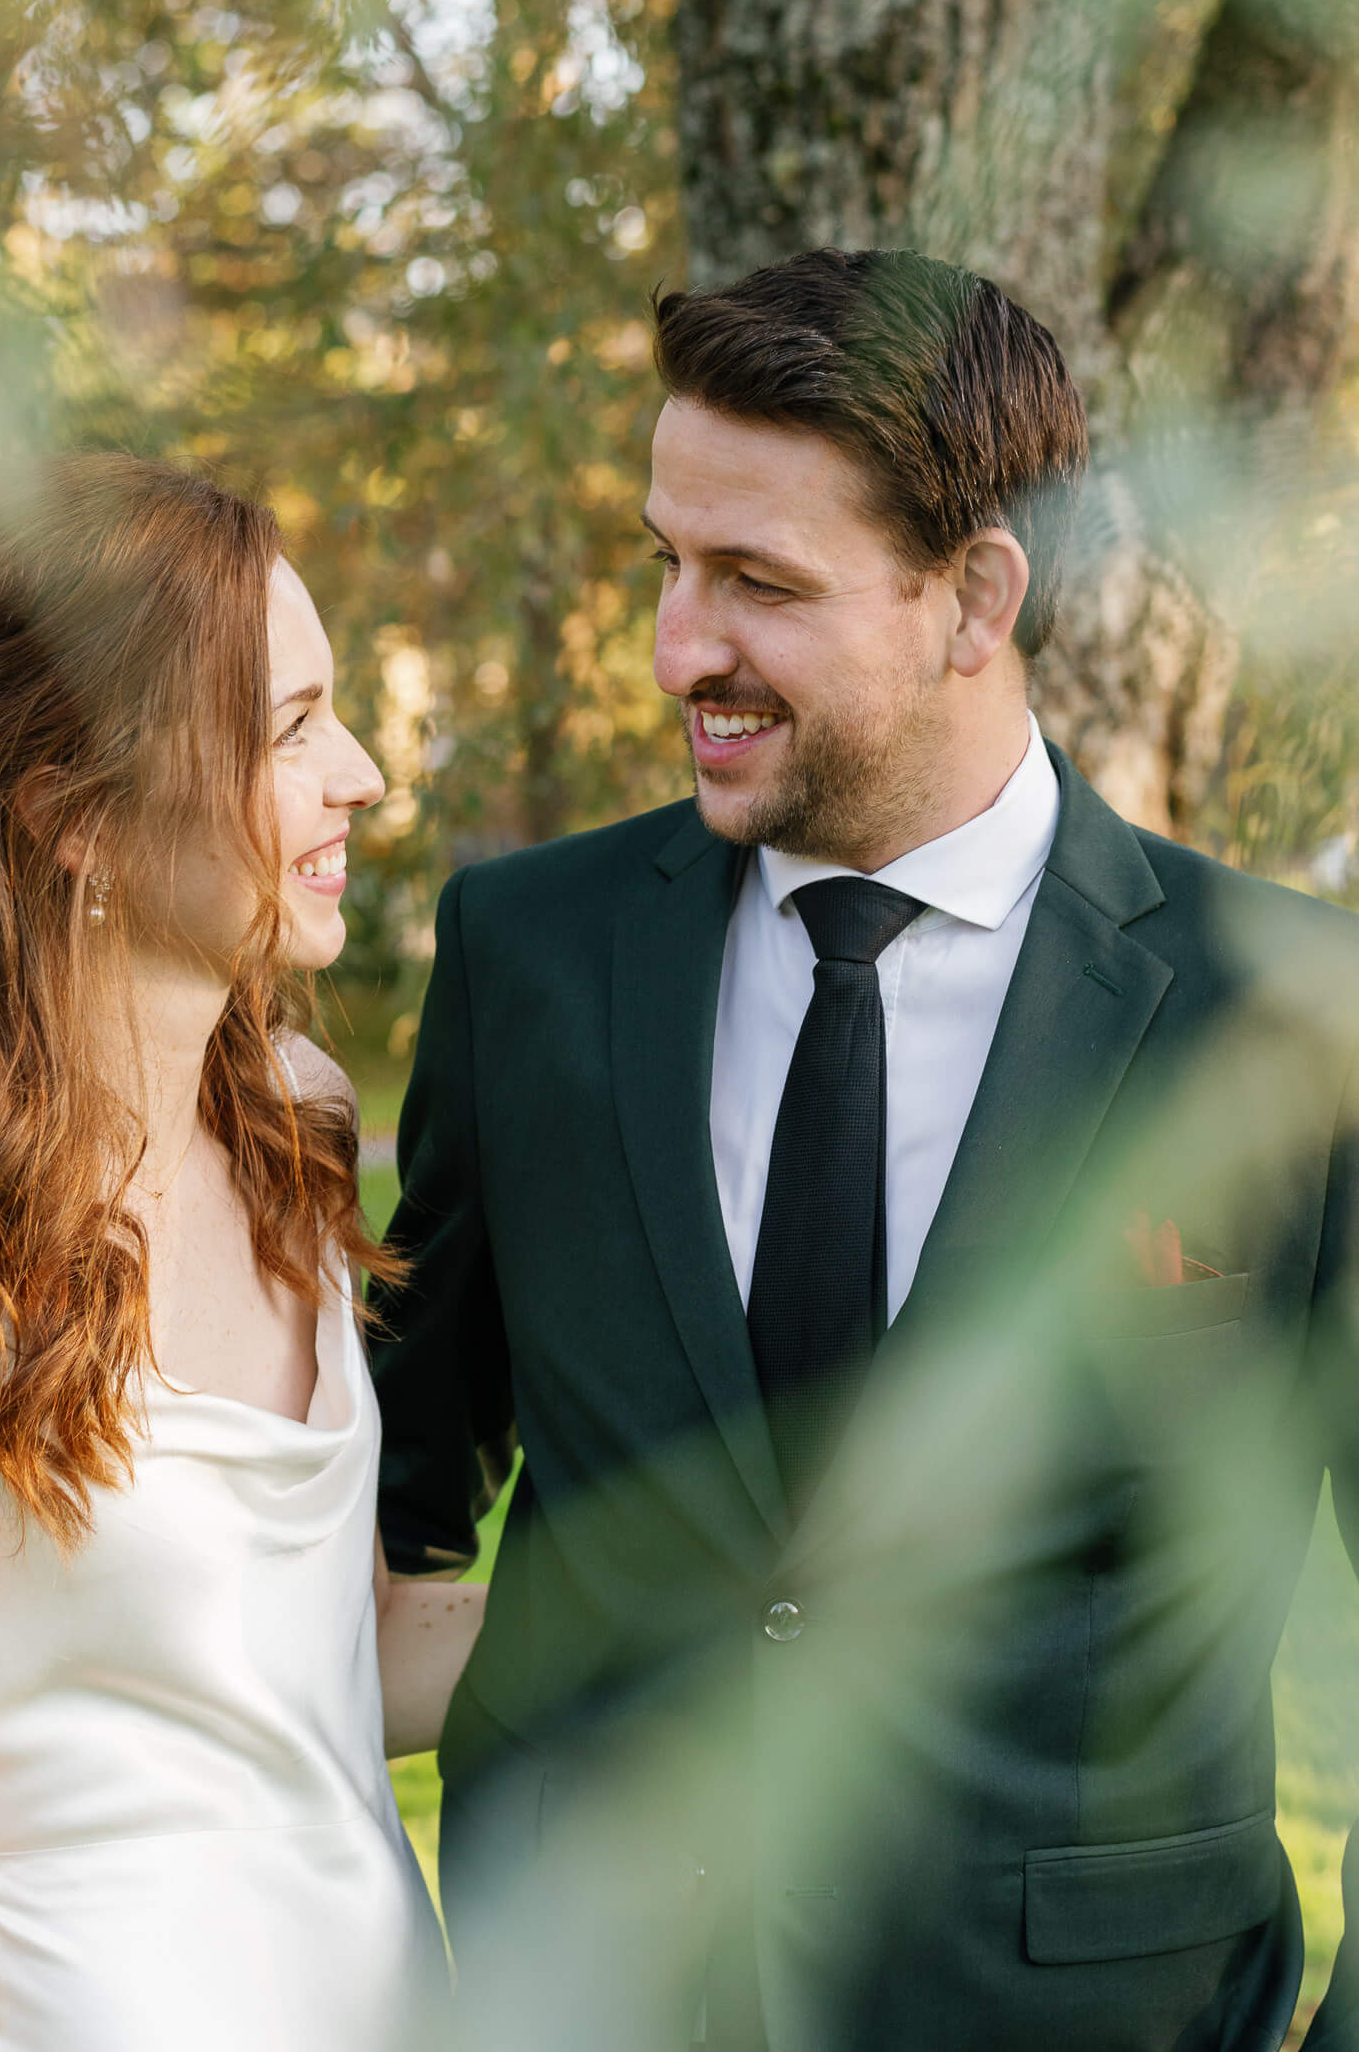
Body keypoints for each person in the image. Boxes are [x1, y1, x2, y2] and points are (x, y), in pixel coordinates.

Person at [374, 246, 1359, 2052]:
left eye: (757, 581)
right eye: (666, 563)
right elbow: (379, 1514)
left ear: (975, 594)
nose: (681, 648)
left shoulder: (1289, 1019)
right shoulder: (529, 961)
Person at [0, 454, 483, 2052]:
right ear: (75, 817)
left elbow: (339, 1669)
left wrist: (718, 1589)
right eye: (288, 730)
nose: (357, 773)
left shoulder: (297, 1125)